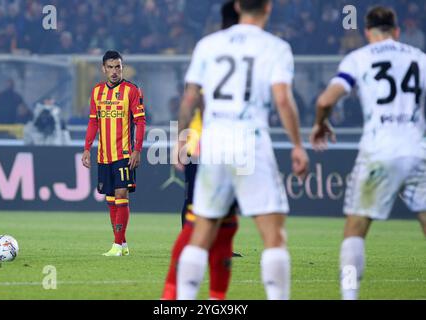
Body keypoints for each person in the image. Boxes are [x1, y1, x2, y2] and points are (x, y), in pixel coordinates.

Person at [174, 0, 309, 300]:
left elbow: (188, 99)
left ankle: (183, 302)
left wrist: (181, 139)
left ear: (237, 6)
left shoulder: (208, 45)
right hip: (250, 140)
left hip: (214, 142)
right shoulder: (276, 47)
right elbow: (284, 101)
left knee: (202, 231)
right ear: (268, 7)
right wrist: (298, 144)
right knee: (273, 234)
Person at [310, 6, 426, 300]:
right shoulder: (419, 58)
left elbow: (325, 100)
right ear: (396, 31)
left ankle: (350, 295)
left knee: (355, 230)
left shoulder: (358, 58)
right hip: (417, 149)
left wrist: (320, 123)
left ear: (367, 32)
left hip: (378, 151)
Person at [162, 1, 241, 301]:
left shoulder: (207, 51)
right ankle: (193, 255)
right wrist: (182, 139)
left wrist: (179, 140)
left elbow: (190, 98)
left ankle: (201, 260)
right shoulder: (249, 52)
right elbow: (191, 99)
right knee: (197, 205)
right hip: (212, 144)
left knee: (219, 211)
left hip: (207, 143)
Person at [82, 50, 146, 256]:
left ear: (122, 67)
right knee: (110, 199)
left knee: (121, 194)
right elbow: (93, 121)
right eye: (110, 67)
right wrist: (86, 148)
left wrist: (137, 150)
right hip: (104, 155)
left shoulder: (132, 90)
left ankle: (117, 246)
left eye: (118, 66)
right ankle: (123, 244)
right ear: (103, 69)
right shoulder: (96, 92)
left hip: (124, 153)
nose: (114, 71)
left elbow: (140, 121)